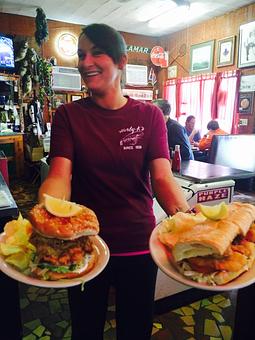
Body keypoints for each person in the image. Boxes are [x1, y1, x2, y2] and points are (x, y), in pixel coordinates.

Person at [38, 23, 189, 340]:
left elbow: (162, 178)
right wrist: (48, 213)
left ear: (121, 62)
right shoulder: (68, 115)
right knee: (86, 327)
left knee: (135, 329)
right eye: (81, 55)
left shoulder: (149, 116)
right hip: (85, 245)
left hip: (138, 245)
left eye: (97, 52)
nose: (85, 62)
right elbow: (60, 175)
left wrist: (188, 221)